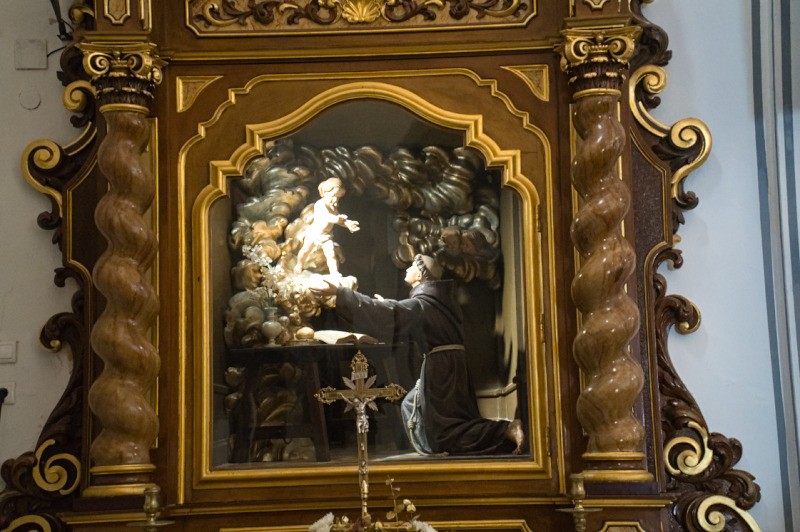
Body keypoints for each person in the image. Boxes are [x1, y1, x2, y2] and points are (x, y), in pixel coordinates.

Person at [313, 254, 524, 455]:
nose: (407, 269)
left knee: (446, 431)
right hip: (449, 364)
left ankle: (505, 430)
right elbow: (400, 314)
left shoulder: (424, 303)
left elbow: (390, 314)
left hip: (441, 369)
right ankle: (439, 448)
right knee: (411, 404)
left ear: (420, 275)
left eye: (412, 267)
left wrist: (341, 293)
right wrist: (389, 306)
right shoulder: (435, 301)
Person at [294, 177, 359, 276]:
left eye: (338, 197)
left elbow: (339, 219)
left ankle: (334, 273)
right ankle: (299, 264)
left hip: (326, 236)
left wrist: (349, 224)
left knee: (331, 255)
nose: (335, 199)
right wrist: (337, 219)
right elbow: (327, 217)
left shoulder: (333, 207)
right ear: (324, 193)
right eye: (333, 196)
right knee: (305, 250)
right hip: (315, 234)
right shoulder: (320, 204)